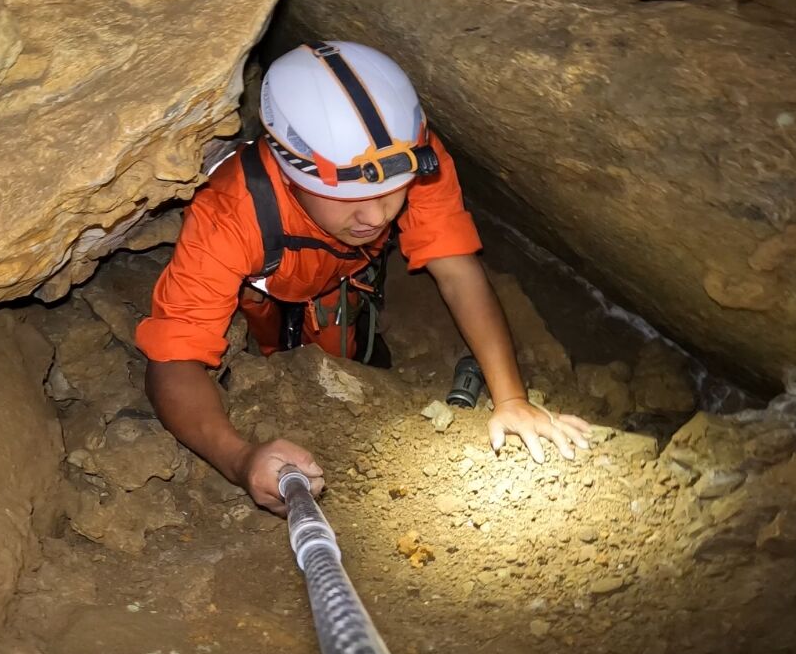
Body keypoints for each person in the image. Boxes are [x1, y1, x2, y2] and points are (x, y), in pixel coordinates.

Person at [135, 41, 591, 515]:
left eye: (392, 193)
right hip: (266, 284)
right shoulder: (229, 217)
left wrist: (511, 398)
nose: (375, 216)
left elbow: (456, 270)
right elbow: (173, 360)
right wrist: (241, 458)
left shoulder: (412, 155)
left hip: (345, 279)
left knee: (347, 350)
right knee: (272, 347)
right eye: (350, 197)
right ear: (292, 174)